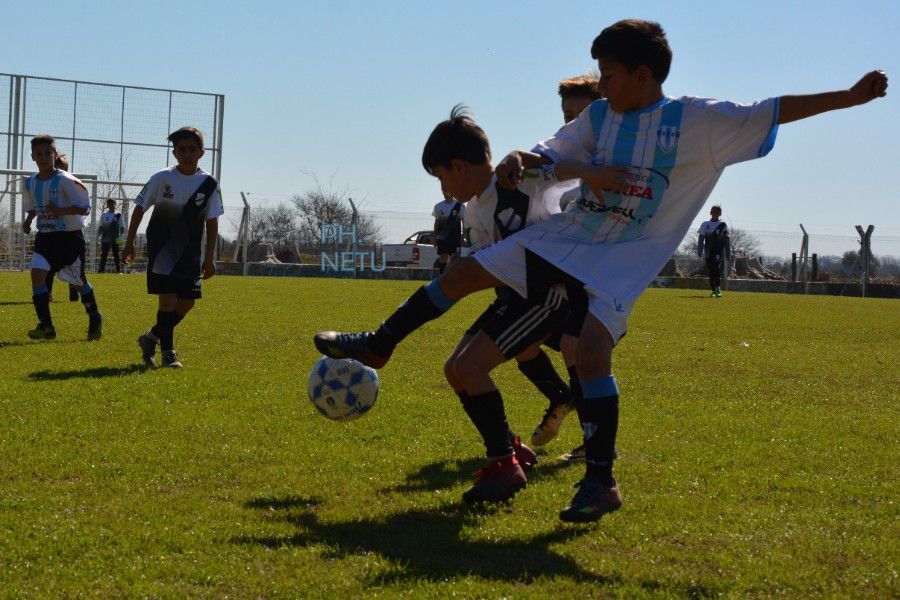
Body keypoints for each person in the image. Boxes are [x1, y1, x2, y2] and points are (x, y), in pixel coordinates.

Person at [315, 19, 888, 522]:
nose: (602, 85)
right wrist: (522, 159)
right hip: (569, 236)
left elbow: (775, 109)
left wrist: (851, 96)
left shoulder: (699, 122)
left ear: (643, 75)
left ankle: (601, 481)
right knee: (466, 273)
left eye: (609, 75)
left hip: (625, 257)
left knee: (590, 352)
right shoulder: (599, 117)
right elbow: (548, 151)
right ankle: (382, 343)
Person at [433, 106, 575, 502]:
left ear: (458, 167)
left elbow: (564, 170)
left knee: (470, 366)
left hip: (543, 295)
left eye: (442, 177)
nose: (443, 189)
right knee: (455, 370)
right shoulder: (475, 208)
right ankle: (510, 450)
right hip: (514, 297)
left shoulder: (517, 179)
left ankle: (504, 465)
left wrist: (523, 156)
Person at [530, 72, 607, 460]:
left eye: (579, 115)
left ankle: (594, 445)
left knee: (578, 348)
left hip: (598, 275)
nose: (569, 123)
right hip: (560, 272)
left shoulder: (610, 157)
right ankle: (561, 397)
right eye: (566, 114)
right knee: (525, 344)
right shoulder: (559, 155)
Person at [123, 126, 223, 368]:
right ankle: (169, 353)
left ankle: (150, 338)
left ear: (201, 152)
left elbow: (212, 221)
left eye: (192, 149)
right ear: (174, 153)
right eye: (181, 150)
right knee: (167, 302)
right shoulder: (162, 178)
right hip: (162, 249)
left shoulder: (209, 183)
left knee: (187, 302)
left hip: (190, 252)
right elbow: (139, 207)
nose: (186, 154)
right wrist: (129, 243)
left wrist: (209, 257)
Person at [21, 135, 102, 341]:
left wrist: (61, 211)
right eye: (39, 154)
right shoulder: (30, 183)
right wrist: (28, 220)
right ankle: (46, 325)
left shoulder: (66, 180)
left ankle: (94, 316)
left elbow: (85, 207)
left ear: (54, 155)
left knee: (78, 283)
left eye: (48, 153)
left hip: (69, 239)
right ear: (33, 157)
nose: (44, 157)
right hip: (45, 238)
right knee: (37, 276)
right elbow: (33, 206)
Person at [43, 154, 81, 303]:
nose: (59, 172)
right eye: (56, 168)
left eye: (62, 169)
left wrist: (60, 210)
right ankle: (47, 294)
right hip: (52, 232)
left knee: (72, 264)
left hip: (71, 232)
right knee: (48, 265)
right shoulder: (47, 185)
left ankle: (74, 291)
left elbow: (82, 208)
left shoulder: (71, 185)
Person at [697, 205, 731, 297]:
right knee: (711, 270)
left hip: (718, 251)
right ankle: (714, 289)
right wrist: (699, 249)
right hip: (708, 251)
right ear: (710, 213)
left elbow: (726, 239)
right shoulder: (705, 224)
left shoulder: (723, 225)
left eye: (717, 212)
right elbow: (701, 237)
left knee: (716, 268)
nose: (715, 213)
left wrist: (728, 253)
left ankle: (717, 289)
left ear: (720, 214)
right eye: (713, 211)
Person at [432, 193, 465, 274]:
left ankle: (454, 277)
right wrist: (434, 238)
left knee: (454, 257)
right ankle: (442, 277)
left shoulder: (460, 206)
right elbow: (436, 223)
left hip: (455, 237)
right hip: (441, 238)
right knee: (443, 257)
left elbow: (465, 222)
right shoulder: (438, 206)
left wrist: (463, 236)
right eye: (445, 192)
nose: (447, 194)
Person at [98, 199, 125, 273]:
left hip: (115, 239)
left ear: (115, 205)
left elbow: (122, 227)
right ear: (107, 205)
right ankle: (101, 271)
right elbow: (100, 227)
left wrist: (121, 236)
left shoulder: (118, 215)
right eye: (110, 204)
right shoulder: (104, 215)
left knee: (116, 255)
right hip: (105, 239)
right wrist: (98, 237)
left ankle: (118, 271)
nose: (112, 206)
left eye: (113, 204)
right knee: (104, 255)